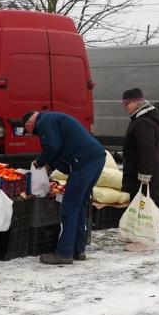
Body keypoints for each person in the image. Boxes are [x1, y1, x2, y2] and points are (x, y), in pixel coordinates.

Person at [22, 110, 105, 265]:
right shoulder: (52, 118)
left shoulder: (44, 121)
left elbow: (52, 147)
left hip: (83, 162)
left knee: (69, 207)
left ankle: (64, 253)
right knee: (79, 205)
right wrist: (50, 166)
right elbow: (60, 147)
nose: (33, 134)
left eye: (29, 132)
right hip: (96, 158)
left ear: (29, 125)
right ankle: (78, 250)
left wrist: (39, 163)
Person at [120, 88, 159, 197]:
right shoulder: (140, 118)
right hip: (145, 174)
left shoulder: (143, 122)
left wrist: (144, 177)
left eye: (127, 103)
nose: (125, 106)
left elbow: (146, 150)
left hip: (145, 177)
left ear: (136, 102)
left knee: (142, 209)